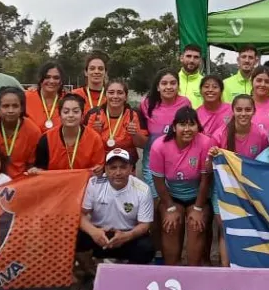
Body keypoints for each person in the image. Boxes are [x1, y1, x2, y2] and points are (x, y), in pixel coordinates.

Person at [208, 95, 269, 266]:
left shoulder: (262, 134)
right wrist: (212, 155)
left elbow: (263, 164)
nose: (243, 113)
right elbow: (208, 167)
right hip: (224, 188)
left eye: (248, 109)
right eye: (239, 109)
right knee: (226, 228)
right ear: (233, 111)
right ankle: (226, 270)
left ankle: (249, 267)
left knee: (250, 228)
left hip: (250, 189)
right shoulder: (220, 135)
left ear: (254, 111)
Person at [149, 107, 214, 266]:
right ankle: (173, 271)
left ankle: (193, 272)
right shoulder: (159, 145)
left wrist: (198, 208)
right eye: (182, 125)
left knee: (196, 225)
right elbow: (158, 181)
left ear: (198, 127)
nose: (187, 129)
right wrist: (170, 208)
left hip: (197, 196)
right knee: (170, 225)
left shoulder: (206, 142)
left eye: (191, 125)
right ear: (174, 127)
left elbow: (206, 180)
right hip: (172, 197)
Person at [77, 148, 156, 277]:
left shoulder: (143, 189)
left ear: (131, 169)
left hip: (126, 235)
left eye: (123, 167)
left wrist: (127, 236)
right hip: (100, 235)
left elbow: (145, 224)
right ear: (106, 169)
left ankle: (125, 275)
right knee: (77, 237)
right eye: (113, 168)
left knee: (146, 248)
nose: (118, 173)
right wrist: (94, 232)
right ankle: (91, 274)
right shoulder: (94, 183)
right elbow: (80, 215)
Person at [140, 69, 192, 197]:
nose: (168, 87)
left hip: (176, 159)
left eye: (173, 83)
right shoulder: (146, 104)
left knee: (172, 202)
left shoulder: (185, 103)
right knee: (155, 199)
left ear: (178, 86)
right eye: (164, 83)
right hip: (152, 160)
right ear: (158, 87)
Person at [29, 94, 105, 173]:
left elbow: (98, 168)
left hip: (85, 184)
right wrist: (36, 171)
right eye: (66, 112)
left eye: (75, 111)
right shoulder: (46, 139)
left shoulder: (94, 139)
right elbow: (41, 169)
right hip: (55, 184)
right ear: (60, 115)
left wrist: (99, 170)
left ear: (82, 115)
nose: (71, 115)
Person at [0, 86, 41, 181]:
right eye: (5, 106)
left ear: (22, 108)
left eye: (15, 106)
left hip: (21, 181)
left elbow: (32, 164)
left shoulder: (33, 131)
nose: (10, 110)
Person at [84, 80, 149, 165]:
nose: (115, 96)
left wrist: (135, 134)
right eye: (111, 92)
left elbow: (144, 145)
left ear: (126, 97)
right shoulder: (94, 115)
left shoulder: (134, 115)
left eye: (120, 93)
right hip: (100, 164)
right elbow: (85, 145)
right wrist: (95, 133)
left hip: (126, 166)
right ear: (105, 96)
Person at [25, 62, 65, 132]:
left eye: (56, 78)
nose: (51, 81)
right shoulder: (26, 98)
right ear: (40, 78)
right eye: (47, 77)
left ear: (61, 81)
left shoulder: (67, 100)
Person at [196, 75, 231, 139]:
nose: (210, 90)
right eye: (206, 87)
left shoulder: (231, 110)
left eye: (215, 87)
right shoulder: (196, 114)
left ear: (221, 91)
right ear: (200, 91)